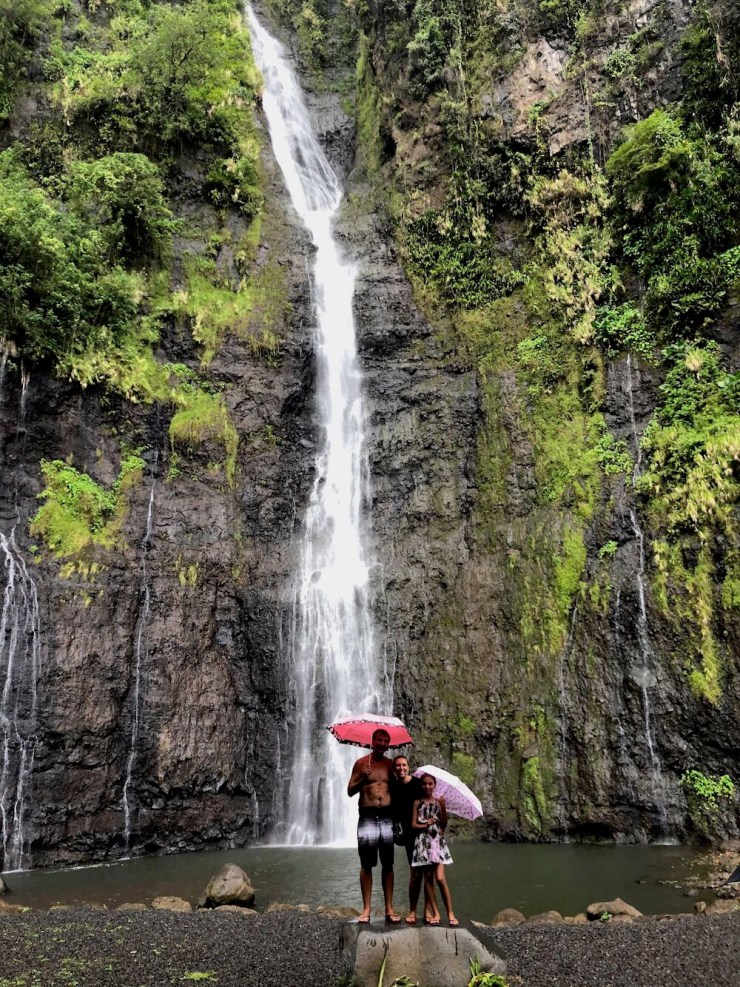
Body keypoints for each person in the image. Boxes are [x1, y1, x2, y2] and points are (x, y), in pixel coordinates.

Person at [347, 727, 401, 923]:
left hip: (387, 816)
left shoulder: (390, 765)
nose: (382, 743)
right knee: (366, 864)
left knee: (388, 863)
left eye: (386, 741)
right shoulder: (361, 763)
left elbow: (396, 791)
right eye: (379, 739)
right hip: (368, 816)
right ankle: (366, 908)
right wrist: (363, 777)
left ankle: (389, 908)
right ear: (373, 741)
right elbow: (349, 791)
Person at [392, 755, 440, 925]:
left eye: (404, 765)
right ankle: (413, 909)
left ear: (408, 766)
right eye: (398, 765)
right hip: (408, 834)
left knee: (427, 874)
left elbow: (429, 799)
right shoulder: (394, 786)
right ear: (394, 768)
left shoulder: (418, 783)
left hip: (424, 834)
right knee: (414, 875)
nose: (401, 768)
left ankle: (427, 909)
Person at [411, 773, 458, 926]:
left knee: (440, 878)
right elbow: (413, 825)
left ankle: (450, 912)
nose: (427, 786)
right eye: (424, 784)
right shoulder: (417, 802)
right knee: (428, 878)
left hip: (437, 841)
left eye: (430, 784)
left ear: (434, 785)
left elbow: (443, 824)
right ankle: (436, 912)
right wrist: (426, 824)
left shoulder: (439, 802)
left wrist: (443, 808)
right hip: (423, 843)